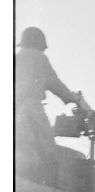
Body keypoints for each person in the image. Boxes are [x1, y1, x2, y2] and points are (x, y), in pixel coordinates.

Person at [15, 27, 81, 183]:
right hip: (31, 107)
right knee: (47, 146)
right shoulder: (38, 57)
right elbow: (53, 82)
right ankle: (51, 184)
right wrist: (73, 98)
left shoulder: (16, 58)